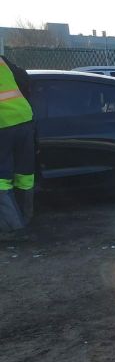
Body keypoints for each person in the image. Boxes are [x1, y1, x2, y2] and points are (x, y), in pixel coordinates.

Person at [0, 55, 35, 235]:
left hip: (4, 123)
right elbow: (24, 77)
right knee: (24, 174)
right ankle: (26, 218)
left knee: (1, 179)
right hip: (25, 117)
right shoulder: (2, 60)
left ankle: (13, 228)